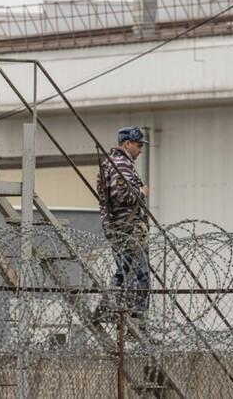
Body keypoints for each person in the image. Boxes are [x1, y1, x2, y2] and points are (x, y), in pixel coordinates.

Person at [95, 126, 150, 321]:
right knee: (141, 273)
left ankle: (108, 305)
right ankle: (137, 319)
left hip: (117, 226)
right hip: (127, 226)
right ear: (127, 144)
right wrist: (141, 192)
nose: (141, 150)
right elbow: (121, 195)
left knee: (124, 269)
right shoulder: (121, 163)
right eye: (138, 145)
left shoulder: (110, 163)